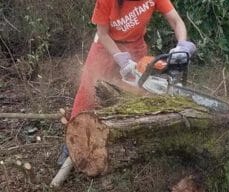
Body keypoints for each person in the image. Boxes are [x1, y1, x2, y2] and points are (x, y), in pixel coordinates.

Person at [57, 0, 196, 165]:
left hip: (135, 45)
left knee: (139, 90)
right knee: (88, 88)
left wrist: (182, 44)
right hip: (105, 45)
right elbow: (102, 33)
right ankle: (72, 142)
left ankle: (134, 134)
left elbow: (175, 20)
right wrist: (119, 57)